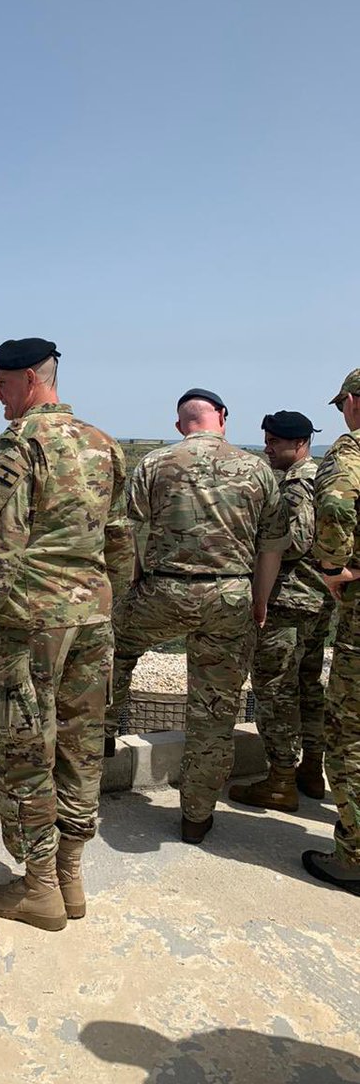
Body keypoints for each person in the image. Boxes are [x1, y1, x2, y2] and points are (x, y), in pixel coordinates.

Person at [0, 338, 133, 932]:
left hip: (31, 624)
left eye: (3, 383)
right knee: (80, 750)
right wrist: (103, 602)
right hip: (93, 620)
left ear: (32, 378)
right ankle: (70, 879)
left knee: (26, 754)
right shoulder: (104, 444)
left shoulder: (20, 443)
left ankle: (38, 888)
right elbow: (120, 540)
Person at [105, 389, 290, 844]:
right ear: (222, 418)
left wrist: (134, 584)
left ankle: (105, 729)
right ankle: (196, 818)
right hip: (231, 595)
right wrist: (259, 600)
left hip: (164, 589)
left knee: (115, 643)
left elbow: (124, 532)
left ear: (179, 425)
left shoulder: (155, 464)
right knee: (213, 711)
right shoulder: (257, 470)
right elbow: (272, 547)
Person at [229, 411, 333, 812]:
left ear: (300, 443)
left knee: (275, 691)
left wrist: (259, 543)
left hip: (289, 603)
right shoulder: (322, 476)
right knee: (308, 687)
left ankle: (280, 780)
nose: (268, 448)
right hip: (315, 600)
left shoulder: (297, 485)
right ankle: (310, 770)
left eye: (275, 442)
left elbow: (296, 540)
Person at [302, 369, 360, 894]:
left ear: (351, 401)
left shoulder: (349, 454)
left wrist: (332, 566)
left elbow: (339, 503)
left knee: (350, 732)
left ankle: (354, 858)